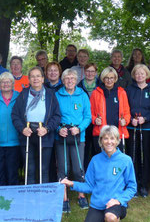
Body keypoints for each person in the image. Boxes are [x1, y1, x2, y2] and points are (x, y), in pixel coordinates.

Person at [61, 125, 137, 222]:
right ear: (101, 141)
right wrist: (71, 184)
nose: (109, 142)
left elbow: (132, 187)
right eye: (105, 138)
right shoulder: (95, 160)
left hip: (115, 203)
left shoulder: (125, 160)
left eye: (112, 138)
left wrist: (119, 200)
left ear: (117, 140)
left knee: (110, 217)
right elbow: (89, 186)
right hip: (97, 205)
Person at [12, 67, 61, 184]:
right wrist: (22, 129)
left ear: (43, 79)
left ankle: (42, 197)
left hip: (44, 134)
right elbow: (15, 115)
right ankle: (29, 197)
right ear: (28, 79)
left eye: (38, 76)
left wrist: (47, 128)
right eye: (32, 76)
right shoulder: (23, 94)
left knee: (43, 169)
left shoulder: (50, 94)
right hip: (27, 134)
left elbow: (57, 116)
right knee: (29, 168)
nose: (35, 79)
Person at [55, 69, 92, 212]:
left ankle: (81, 195)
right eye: (67, 78)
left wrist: (80, 128)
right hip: (62, 137)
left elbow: (88, 116)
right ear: (63, 80)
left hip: (78, 137)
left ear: (76, 80)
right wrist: (59, 128)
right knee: (63, 168)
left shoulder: (82, 95)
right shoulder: (57, 95)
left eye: (72, 78)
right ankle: (64, 198)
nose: (70, 81)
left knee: (78, 168)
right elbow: (53, 116)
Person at [126, 64, 150, 197]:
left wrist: (145, 118)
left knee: (144, 156)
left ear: (146, 75)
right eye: (137, 73)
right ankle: (133, 185)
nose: (139, 76)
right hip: (131, 127)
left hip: (146, 127)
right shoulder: (129, 89)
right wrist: (129, 119)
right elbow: (125, 107)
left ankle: (144, 185)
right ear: (134, 75)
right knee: (132, 156)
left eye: (142, 73)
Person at [90, 67, 130, 154]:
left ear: (115, 79)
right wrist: (94, 120)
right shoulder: (95, 93)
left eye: (111, 78)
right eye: (106, 78)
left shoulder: (122, 92)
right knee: (102, 161)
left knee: (117, 160)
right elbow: (90, 113)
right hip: (101, 132)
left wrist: (125, 121)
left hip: (117, 133)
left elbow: (127, 113)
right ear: (103, 79)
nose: (109, 80)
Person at [0, 72, 21, 185]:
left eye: (8, 82)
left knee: (12, 171)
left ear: (12, 83)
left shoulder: (19, 97)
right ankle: (0, 198)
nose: (6, 84)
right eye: (3, 82)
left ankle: (12, 198)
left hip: (15, 141)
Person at [78, 63, 100, 168]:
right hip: (84, 121)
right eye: (88, 71)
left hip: (98, 121)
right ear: (84, 72)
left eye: (92, 71)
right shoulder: (79, 86)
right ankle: (85, 171)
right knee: (85, 149)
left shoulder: (101, 85)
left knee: (97, 148)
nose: (90, 73)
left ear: (96, 73)